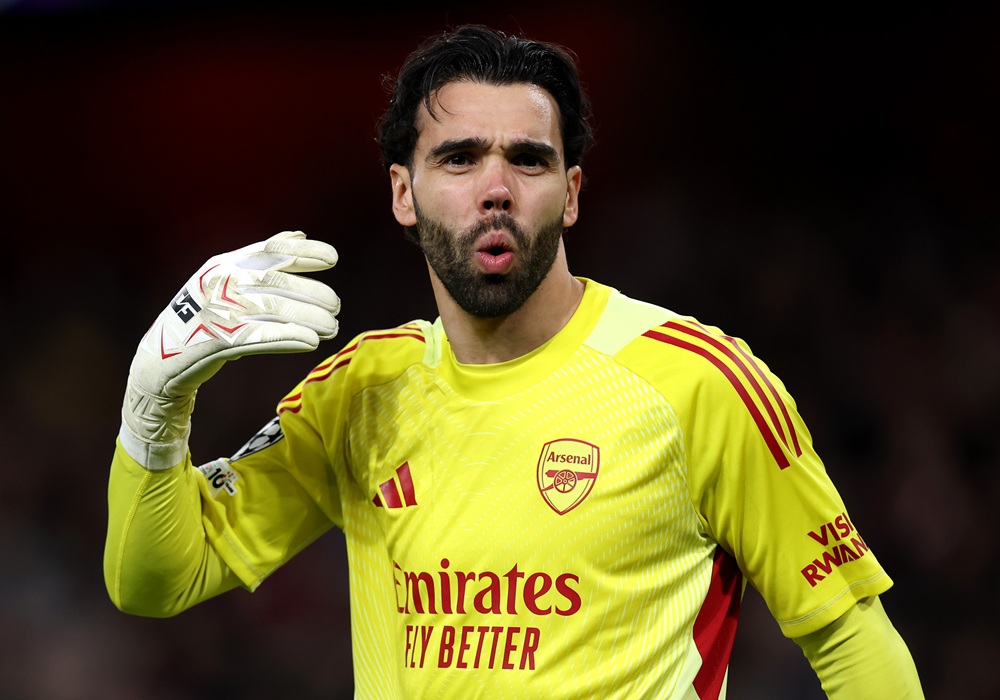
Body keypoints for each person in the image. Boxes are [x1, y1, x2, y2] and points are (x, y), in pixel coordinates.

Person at [105, 24, 924, 699]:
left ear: (569, 193)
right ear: (403, 192)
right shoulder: (360, 390)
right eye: (458, 159)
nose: (494, 187)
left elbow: (854, 647)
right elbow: (155, 581)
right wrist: (154, 406)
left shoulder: (698, 381)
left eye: (527, 160)